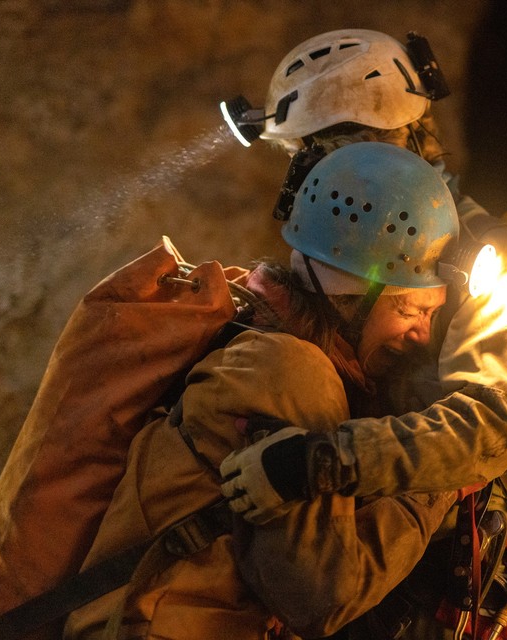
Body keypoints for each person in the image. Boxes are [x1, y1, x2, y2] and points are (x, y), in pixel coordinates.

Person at [62, 142, 464, 640]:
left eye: (431, 315)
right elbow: (319, 596)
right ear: (350, 297)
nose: (422, 335)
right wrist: (439, 473)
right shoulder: (294, 372)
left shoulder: (263, 339)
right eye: (410, 310)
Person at [219, 26, 507, 524]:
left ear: (385, 142)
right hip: (373, 522)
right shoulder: (370, 245)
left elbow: (489, 428)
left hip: (459, 545)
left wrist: (321, 461)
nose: (318, 183)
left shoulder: (493, 259)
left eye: (322, 157)